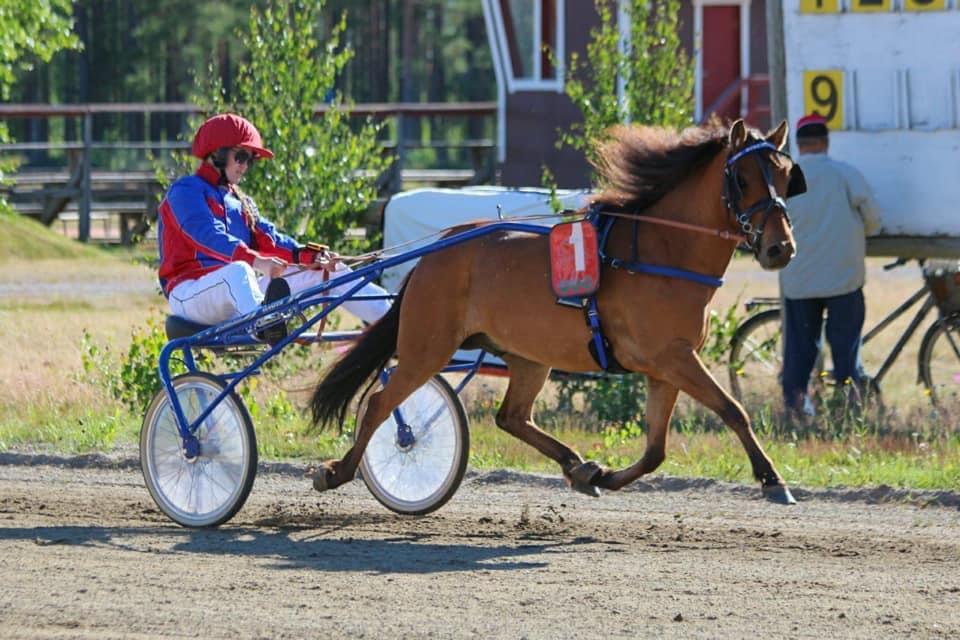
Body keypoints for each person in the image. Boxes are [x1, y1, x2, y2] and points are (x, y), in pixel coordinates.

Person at [157, 113, 391, 340]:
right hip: (189, 294)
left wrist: (308, 255)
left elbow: (271, 240)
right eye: (240, 157)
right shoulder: (185, 191)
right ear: (217, 153)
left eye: (250, 160)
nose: (245, 166)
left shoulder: (240, 202)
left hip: (239, 294)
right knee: (239, 271)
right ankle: (265, 322)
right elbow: (206, 234)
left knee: (329, 270)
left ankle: (394, 318)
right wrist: (256, 260)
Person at [779, 113, 882, 415]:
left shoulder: (785, 179)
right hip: (843, 279)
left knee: (799, 350)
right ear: (825, 142)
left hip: (799, 282)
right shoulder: (845, 174)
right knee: (845, 347)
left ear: (798, 144)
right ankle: (849, 409)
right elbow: (873, 220)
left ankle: (795, 410)